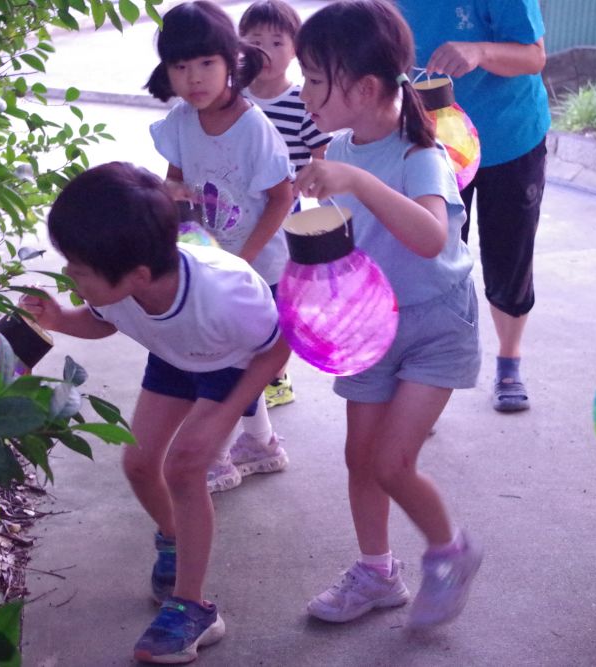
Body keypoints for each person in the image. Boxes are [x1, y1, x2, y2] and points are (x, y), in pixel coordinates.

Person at [20, 162, 290, 663]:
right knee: (140, 465)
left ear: (137, 274)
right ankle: (174, 540)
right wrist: (58, 318)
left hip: (232, 364)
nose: (69, 277)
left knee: (185, 467)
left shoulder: (226, 292)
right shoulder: (121, 283)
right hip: (173, 357)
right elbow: (103, 321)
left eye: (78, 270)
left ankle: (194, 608)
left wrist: (229, 414)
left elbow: (276, 352)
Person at [293, 0, 482, 628]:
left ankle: (451, 550)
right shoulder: (340, 144)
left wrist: (354, 182)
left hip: (434, 326)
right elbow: (347, 237)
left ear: (366, 86)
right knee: (359, 456)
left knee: (391, 462)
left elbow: (431, 238)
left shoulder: (417, 155)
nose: (304, 89)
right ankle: (377, 572)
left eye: (316, 78)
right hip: (371, 325)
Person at [147, 0, 294, 493]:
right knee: (231, 354)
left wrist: (244, 260)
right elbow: (173, 179)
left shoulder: (254, 128)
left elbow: (281, 198)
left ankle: (214, 453)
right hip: (208, 261)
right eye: (181, 66)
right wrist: (171, 195)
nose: (194, 78)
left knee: (234, 357)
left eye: (206, 63)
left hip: (257, 267)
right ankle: (261, 443)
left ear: (231, 60)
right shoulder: (182, 121)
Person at [398, 0, 550, 413]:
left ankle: (509, 362)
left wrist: (479, 50)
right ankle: (426, 377)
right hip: (431, 140)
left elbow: (534, 56)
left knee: (509, 256)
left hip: (510, 136)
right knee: (431, 259)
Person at [239, 0, 332, 410]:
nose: (266, 50)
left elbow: (321, 151)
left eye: (278, 42)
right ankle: (244, 360)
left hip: (281, 211)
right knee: (242, 289)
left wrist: (314, 184)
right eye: (254, 41)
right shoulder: (233, 97)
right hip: (233, 209)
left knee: (277, 291)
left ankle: (276, 375)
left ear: (295, 49)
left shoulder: (299, 101)